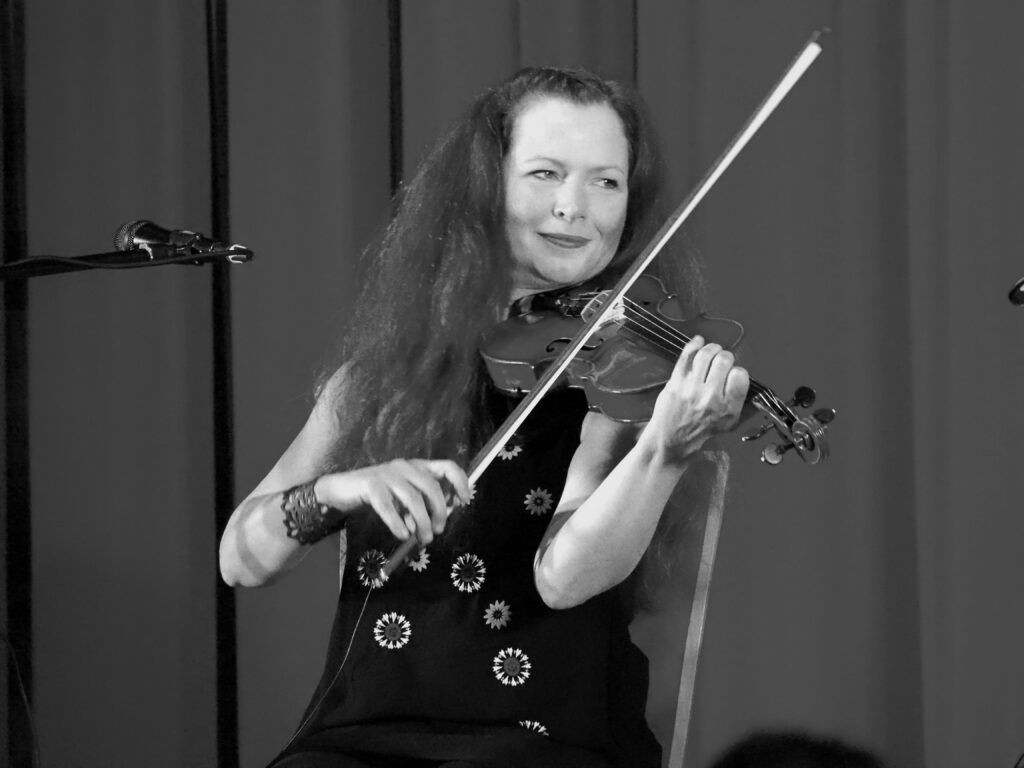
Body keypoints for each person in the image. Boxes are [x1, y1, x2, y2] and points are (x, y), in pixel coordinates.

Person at [220, 66, 749, 768]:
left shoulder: (616, 396)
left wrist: (665, 449)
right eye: (545, 173)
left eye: (606, 181)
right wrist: (332, 493)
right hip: (358, 739)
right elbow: (240, 560)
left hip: (544, 739)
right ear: (483, 185)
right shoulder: (376, 384)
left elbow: (564, 578)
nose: (573, 207)